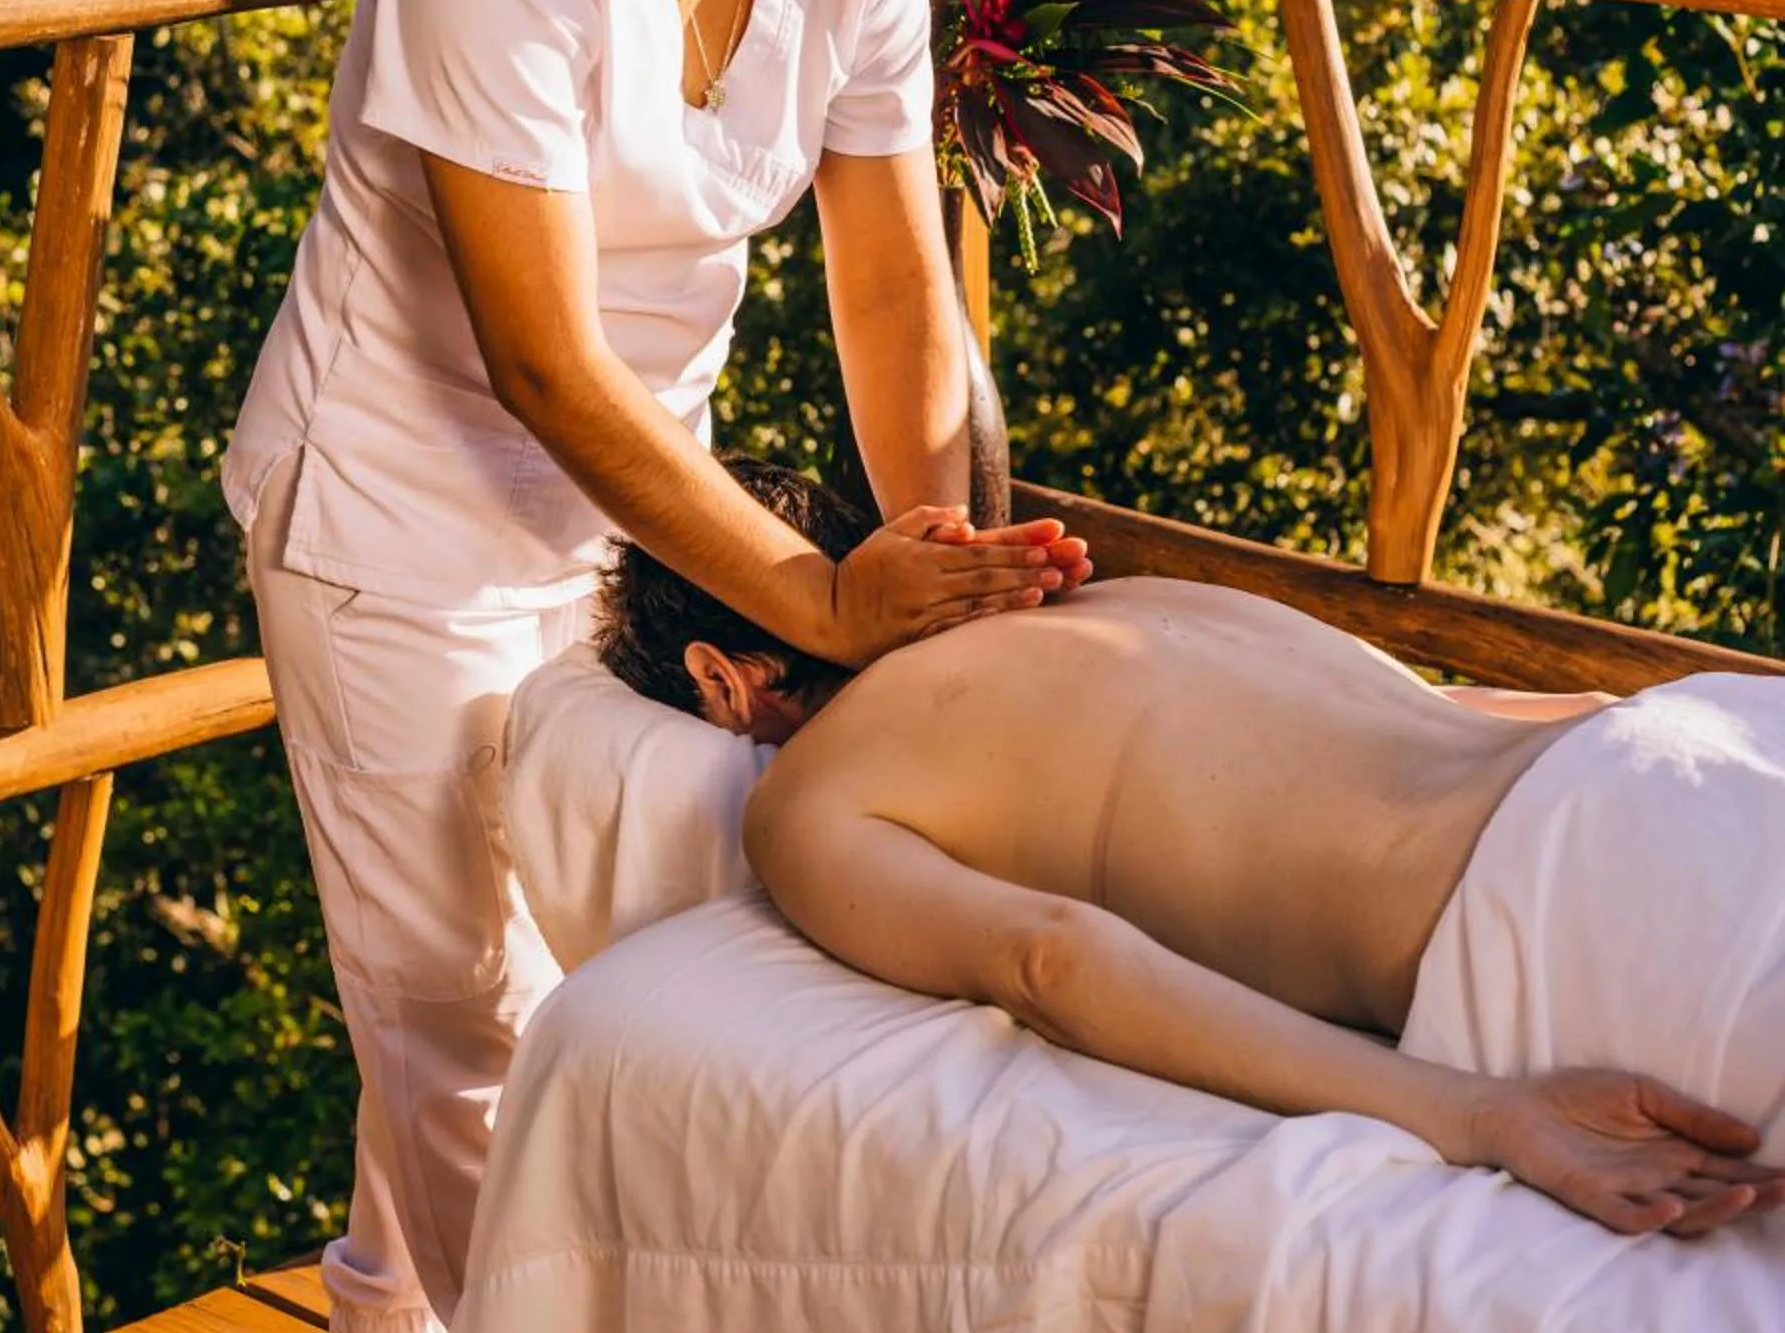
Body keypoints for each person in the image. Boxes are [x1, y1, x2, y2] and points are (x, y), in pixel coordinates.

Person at [222, 0, 1087, 1333]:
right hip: (400, 512)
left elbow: (889, 281)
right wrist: (816, 590)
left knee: (521, 936)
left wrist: (947, 563)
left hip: (628, 518)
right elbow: (535, 361)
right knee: (462, 1000)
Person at [595, 465, 1785, 1240]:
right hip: (1683, 744)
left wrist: (1474, 1115)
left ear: (719, 678)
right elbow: (1460, 702)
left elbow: (1049, 962)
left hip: (1559, 906)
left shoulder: (810, 798)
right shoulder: (1128, 602)